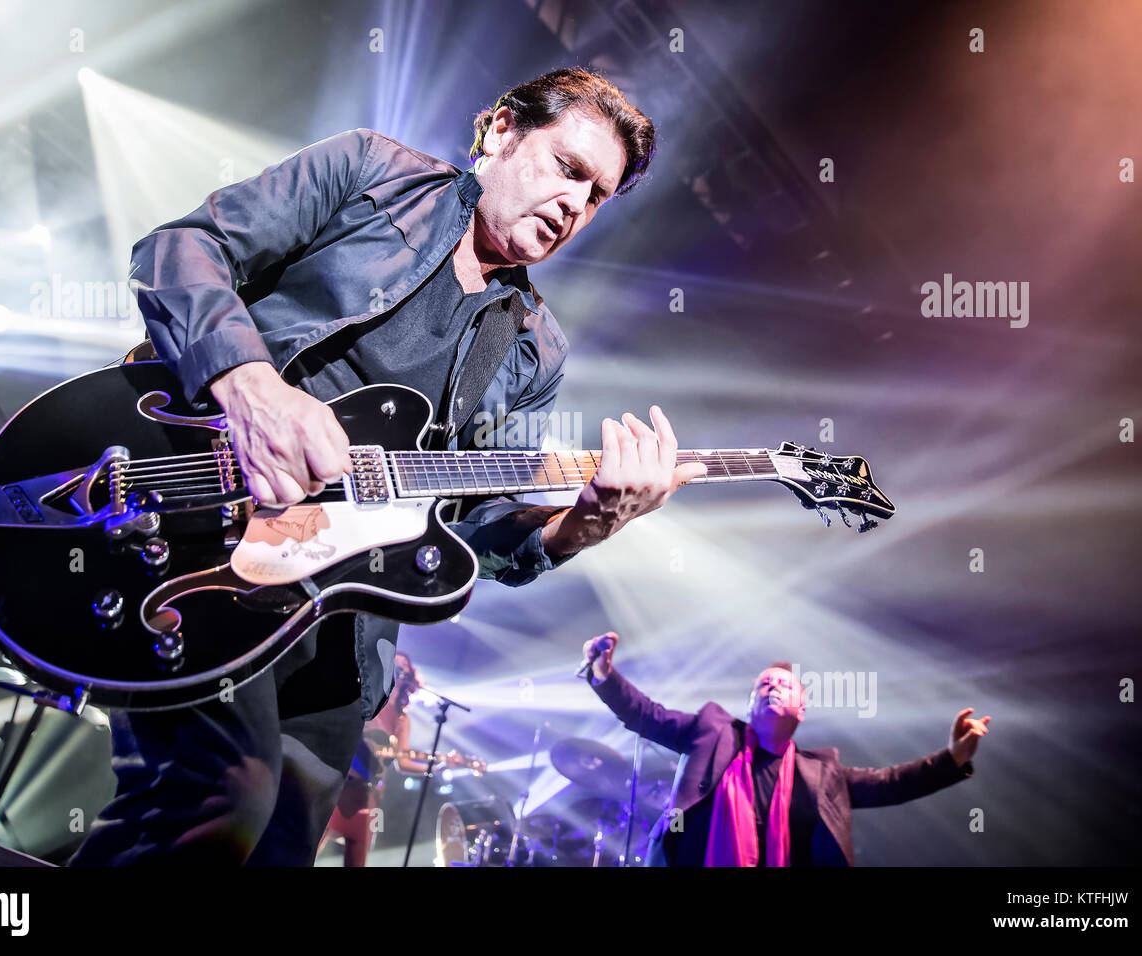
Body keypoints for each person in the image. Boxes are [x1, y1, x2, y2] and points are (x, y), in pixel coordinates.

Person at [69, 68, 706, 866]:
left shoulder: (534, 347)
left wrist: (580, 526)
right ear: (502, 130)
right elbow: (177, 252)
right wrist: (251, 387)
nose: (575, 203)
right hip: (201, 535)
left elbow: (476, 529)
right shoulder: (371, 172)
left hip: (341, 630)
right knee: (219, 794)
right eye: (568, 167)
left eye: (598, 194)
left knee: (277, 847)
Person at [582, 633, 991, 866]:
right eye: (764, 683)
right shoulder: (709, 731)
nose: (774, 686)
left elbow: (890, 783)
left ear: (803, 709)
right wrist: (604, 674)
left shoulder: (823, 773)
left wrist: (952, 758)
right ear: (749, 706)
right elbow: (647, 715)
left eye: (785, 684)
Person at [319, 652, 431, 866]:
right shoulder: (367, 697)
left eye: (403, 667)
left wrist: (432, 768)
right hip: (340, 781)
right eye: (395, 664)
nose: (398, 669)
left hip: (369, 793)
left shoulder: (402, 718)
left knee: (358, 855)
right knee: (312, 841)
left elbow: (404, 761)